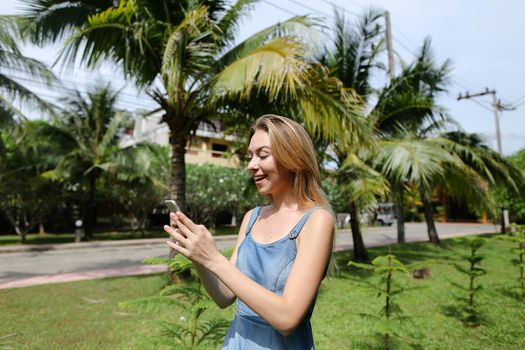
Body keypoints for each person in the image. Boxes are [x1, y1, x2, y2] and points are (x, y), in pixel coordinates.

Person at [164, 114, 334, 349]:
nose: (251, 165)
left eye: (263, 155)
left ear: (293, 157)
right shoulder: (252, 217)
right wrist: (199, 257)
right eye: (250, 156)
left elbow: (287, 318)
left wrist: (214, 259)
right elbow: (225, 296)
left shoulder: (317, 220)